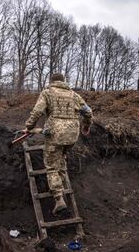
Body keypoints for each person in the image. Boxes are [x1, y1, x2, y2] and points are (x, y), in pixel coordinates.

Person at [25, 73, 93, 214]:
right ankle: (62, 187)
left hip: (55, 135)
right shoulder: (74, 95)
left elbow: (37, 111)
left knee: (51, 167)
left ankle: (58, 198)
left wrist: (29, 126)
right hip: (72, 136)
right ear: (63, 82)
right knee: (61, 159)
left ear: (52, 81)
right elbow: (88, 111)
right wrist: (86, 126)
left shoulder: (47, 93)